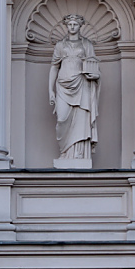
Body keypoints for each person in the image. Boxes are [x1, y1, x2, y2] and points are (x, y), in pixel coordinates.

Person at [49, 14, 100, 161]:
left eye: (75, 24)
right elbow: (54, 67)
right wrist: (50, 90)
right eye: (70, 24)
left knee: (81, 119)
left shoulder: (87, 45)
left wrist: (95, 76)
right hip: (63, 86)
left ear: (80, 26)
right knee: (62, 118)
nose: (72, 27)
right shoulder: (60, 45)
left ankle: (78, 154)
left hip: (82, 84)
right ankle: (65, 152)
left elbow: (93, 65)